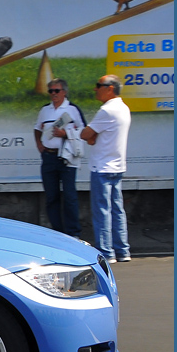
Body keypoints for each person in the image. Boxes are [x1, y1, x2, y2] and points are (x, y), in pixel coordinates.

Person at [80, 75, 131, 263]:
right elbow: (91, 136)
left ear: (110, 88)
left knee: (102, 210)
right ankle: (123, 250)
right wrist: (92, 137)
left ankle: (107, 252)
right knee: (117, 210)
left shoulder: (107, 110)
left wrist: (91, 137)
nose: (95, 89)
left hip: (102, 167)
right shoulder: (123, 108)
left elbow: (86, 134)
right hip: (117, 166)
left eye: (99, 86)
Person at [33, 78, 87, 237]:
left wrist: (66, 134)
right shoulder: (45, 110)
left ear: (64, 92)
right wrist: (39, 145)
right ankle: (58, 233)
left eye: (57, 91)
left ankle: (73, 232)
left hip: (67, 157)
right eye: (51, 91)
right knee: (51, 196)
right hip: (48, 156)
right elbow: (37, 128)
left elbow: (84, 131)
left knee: (70, 196)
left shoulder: (72, 109)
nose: (53, 94)